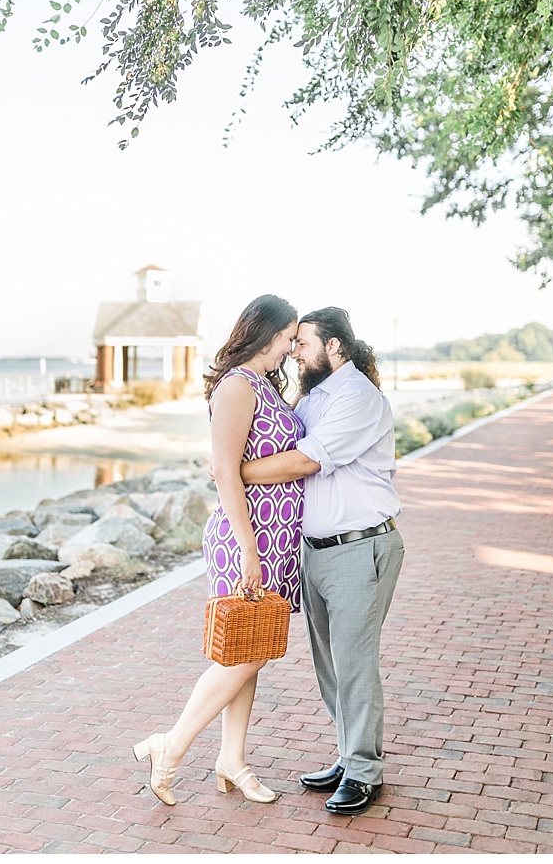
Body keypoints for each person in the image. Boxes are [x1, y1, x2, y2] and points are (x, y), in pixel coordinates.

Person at [133, 294, 304, 806]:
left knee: (252, 651)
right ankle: (172, 744)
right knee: (243, 654)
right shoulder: (236, 387)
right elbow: (226, 471)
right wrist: (250, 549)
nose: (292, 348)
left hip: (277, 539)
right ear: (267, 334)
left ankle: (232, 758)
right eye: (289, 338)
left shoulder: (264, 385)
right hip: (246, 537)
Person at [239, 306, 403, 816]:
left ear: (334, 347)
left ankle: (364, 772)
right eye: (291, 342)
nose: (294, 351)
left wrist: (235, 472)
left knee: (354, 665)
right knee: (331, 665)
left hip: (360, 547)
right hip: (319, 552)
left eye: (302, 342)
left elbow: (306, 460)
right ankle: (348, 755)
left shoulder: (358, 398)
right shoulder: (314, 398)